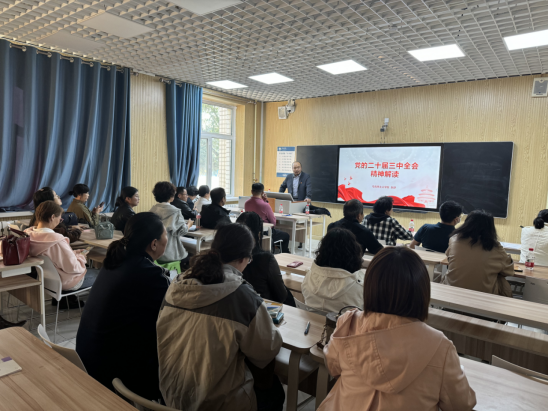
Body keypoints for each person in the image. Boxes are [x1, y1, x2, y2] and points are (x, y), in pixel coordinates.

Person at [318, 247, 477, 411]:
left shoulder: (348, 323)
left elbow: (333, 367)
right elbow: (461, 405)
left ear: (370, 287)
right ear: (422, 293)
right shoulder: (440, 347)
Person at [157, 224, 284, 411]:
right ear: (244, 258)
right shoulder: (242, 296)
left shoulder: (177, 285)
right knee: (275, 392)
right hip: (216, 404)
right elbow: (267, 349)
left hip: (171, 396)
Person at [76, 213, 170, 402]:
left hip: (87, 356)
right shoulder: (150, 274)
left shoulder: (115, 260)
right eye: (165, 234)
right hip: (111, 370)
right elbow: (172, 316)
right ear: (154, 244)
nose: (167, 238)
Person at [26, 201, 98, 308]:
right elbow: (73, 268)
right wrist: (81, 257)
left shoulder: (28, 236)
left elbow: (55, 258)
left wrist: (74, 254)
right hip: (66, 282)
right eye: (60, 219)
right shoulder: (57, 241)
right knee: (101, 274)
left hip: (45, 280)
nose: (60, 221)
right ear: (52, 217)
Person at [444, 210, 513, 297]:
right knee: (500, 279)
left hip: (451, 291)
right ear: (490, 227)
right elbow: (508, 271)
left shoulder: (454, 239)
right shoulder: (494, 246)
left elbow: (449, 257)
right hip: (482, 296)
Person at [236, 212, 295, 306]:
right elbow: (282, 296)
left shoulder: (228, 259)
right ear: (259, 234)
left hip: (238, 308)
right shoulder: (266, 259)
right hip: (265, 308)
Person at [302, 228, 365, 313]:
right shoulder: (360, 287)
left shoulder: (309, 276)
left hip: (310, 320)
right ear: (354, 252)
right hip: (344, 322)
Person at [150, 182, 192, 267]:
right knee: (192, 256)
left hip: (154, 254)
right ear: (171, 196)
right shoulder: (175, 211)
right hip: (170, 254)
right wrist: (189, 225)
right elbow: (182, 231)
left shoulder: (152, 210)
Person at [245, 183, 290, 254]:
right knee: (286, 235)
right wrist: (265, 202)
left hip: (252, 232)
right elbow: (273, 223)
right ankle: (284, 255)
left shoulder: (246, 203)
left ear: (251, 191)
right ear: (262, 193)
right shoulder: (265, 205)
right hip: (265, 232)